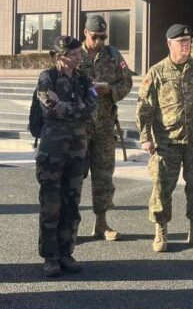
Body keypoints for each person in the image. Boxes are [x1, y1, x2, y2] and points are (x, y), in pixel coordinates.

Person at [136, 24, 193, 253]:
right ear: (169, 44)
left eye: (188, 41)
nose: (186, 45)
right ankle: (161, 230)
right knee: (162, 188)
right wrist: (145, 136)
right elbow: (145, 106)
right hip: (167, 142)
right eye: (181, 42)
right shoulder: (157, 72)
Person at [35, 36, 96, 277]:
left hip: (78, 148)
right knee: (51, 203)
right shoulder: (47, 77)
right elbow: (50, 106)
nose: (79, 57)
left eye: (79, 53)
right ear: (61, 57)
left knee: (72, 202)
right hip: (52, 149)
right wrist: (75, 109)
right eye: (74, 54)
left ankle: (66, 252)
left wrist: (67, 108)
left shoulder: (83, 79)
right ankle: (50, 257)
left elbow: (92, 106)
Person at [80, 15, 133, 241]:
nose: (99, 41)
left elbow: (127, 81)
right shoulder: (74, 54)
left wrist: (110, 89)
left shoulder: (112, 55)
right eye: (95, 37)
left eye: (103, 37)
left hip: (104, 126)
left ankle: (101, 224)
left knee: (103, 177)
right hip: (78, 129)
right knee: (73, 177)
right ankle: (70, 226)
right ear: (85, 33)